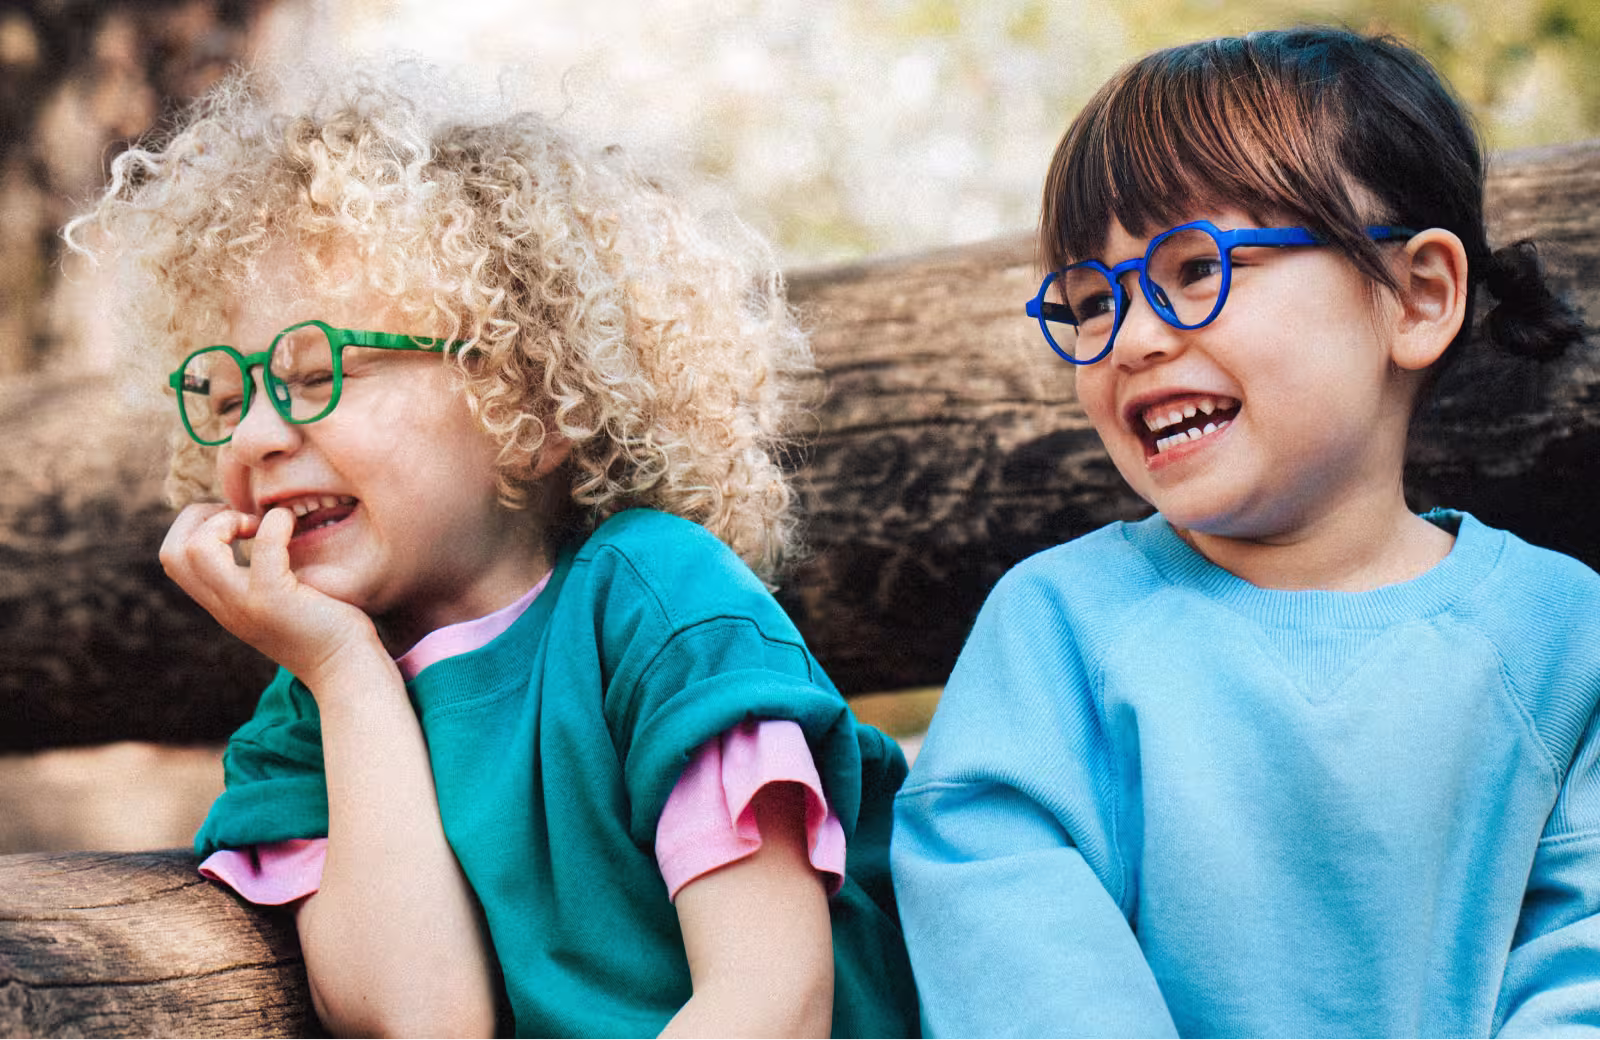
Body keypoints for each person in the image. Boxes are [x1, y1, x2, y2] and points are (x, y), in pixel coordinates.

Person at [67, 69, 918, 1039]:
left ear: (529, 401)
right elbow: (426, 1014)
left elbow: (773, 998)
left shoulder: (658, 604)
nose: (254, 433)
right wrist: (347, 675)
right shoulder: (307, 716)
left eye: (315, 372)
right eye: (225, 394)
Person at [891, 26, 1597, 1038]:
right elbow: (1015, 951)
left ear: (1416, 294)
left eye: (1195, 269)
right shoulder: (1055, 632)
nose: (1131, 339)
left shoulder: (1562, 638)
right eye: (1091, 301)